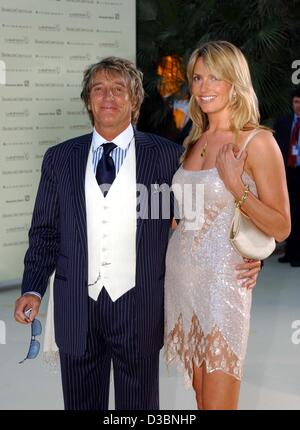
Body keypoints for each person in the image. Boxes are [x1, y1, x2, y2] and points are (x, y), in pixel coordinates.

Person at [14, 56, 260, 411]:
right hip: (75, 308)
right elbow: (45, 232)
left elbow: (207, 218)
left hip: (139, 307)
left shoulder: (168, 156)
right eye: (98, 89)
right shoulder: (60, 158)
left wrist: (251, 253)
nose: (108, 97)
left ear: (134, 101)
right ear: (88, 101)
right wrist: (33, 288)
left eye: (118, 89)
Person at [164, 41, 291, 410]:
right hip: (181, 281)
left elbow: (282, 226)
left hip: (223, 286)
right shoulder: (192, 140)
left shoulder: (258, 141)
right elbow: (188, 216)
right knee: (202, 399)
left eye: (214, 77)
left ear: (235, 82)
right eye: (198, 78)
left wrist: (237, 187)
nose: (203, 88)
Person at [274, 87, 300, 267]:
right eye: (296, 102)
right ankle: (290, 252)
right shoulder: (283, 122)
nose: (298, 106)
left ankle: (298, 254)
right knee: (288, 212)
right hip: (287, 173)